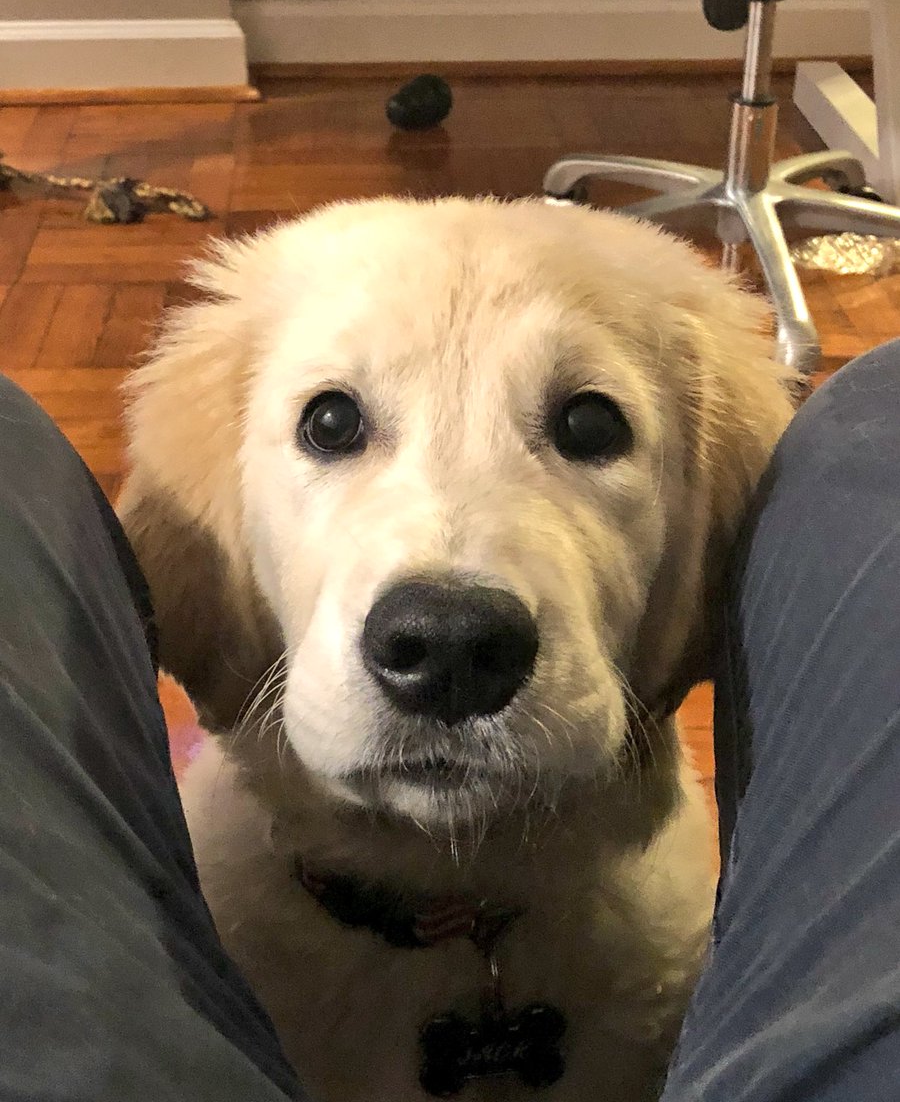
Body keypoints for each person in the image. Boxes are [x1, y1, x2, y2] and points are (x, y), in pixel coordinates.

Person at [1, 341, 898, 1101]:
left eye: (589, 429)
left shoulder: (675, 931)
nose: (446, 638)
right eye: (332, 427)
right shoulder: (203, 922)